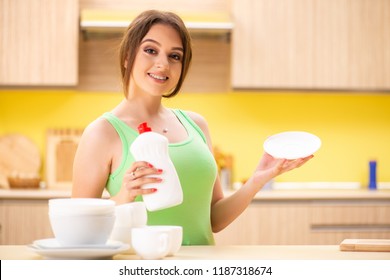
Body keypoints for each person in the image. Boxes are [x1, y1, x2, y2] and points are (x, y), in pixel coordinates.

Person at [72, 10, 313, 245]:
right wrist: (124, 195)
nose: (162, 64)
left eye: (174, 56)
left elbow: (213, 220)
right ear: (127, 57)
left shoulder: (196, 125)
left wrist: (257, 180)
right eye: (150, 50)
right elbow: (79, 228)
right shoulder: (102, 133)